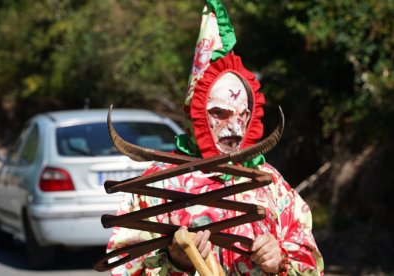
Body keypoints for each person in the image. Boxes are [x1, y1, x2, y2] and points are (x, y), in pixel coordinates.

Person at [106, 0, 324, 275]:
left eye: (242, 115)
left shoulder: (270, 183)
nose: (234, 127)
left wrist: (279, 257)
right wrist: (175, 262)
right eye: (220, 113)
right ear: (196, 114)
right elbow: (123, 265)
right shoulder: (159, 184)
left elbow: (308, 259)